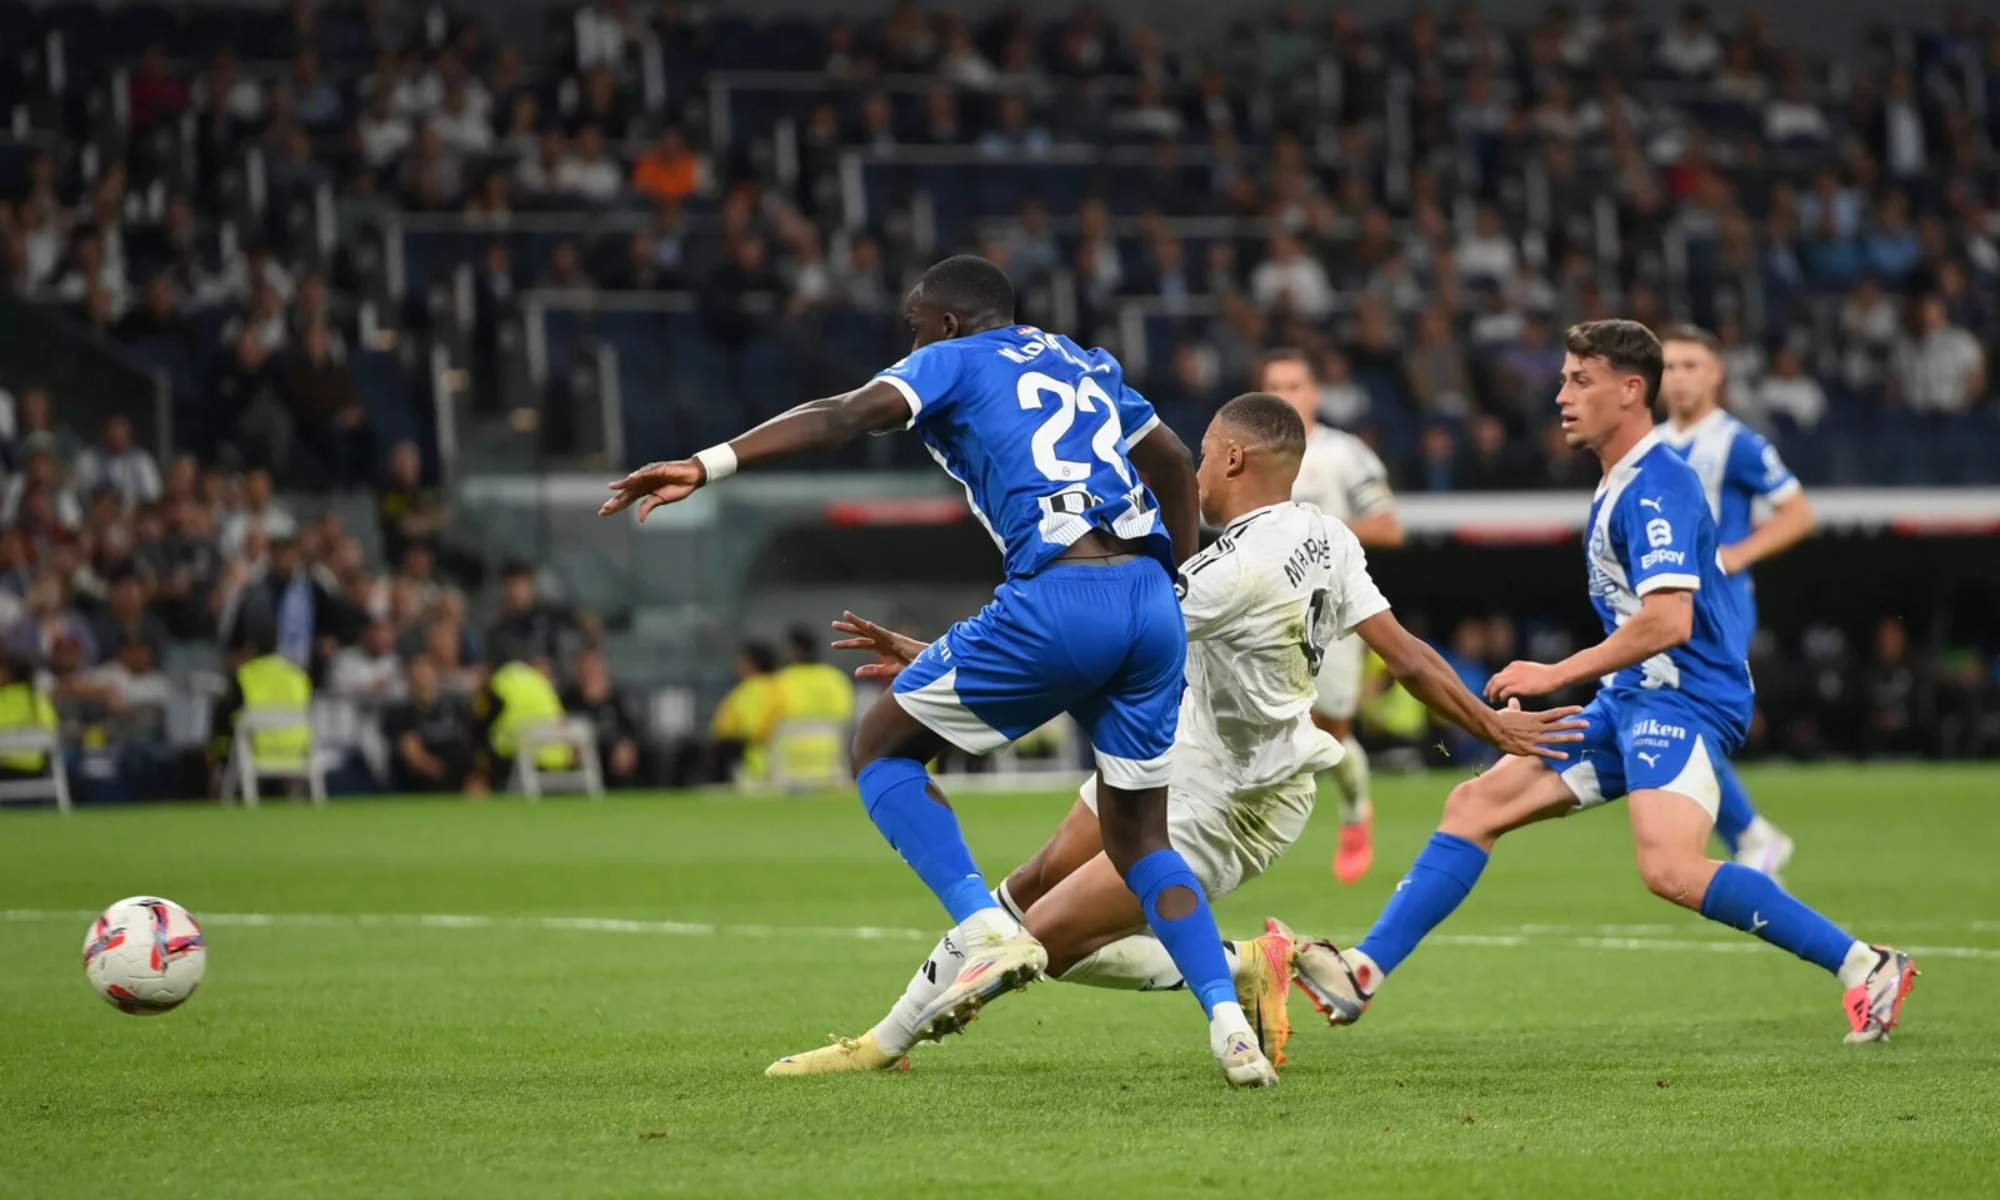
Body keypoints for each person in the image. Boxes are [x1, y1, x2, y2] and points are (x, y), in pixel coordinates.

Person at [603, 254, 1272, 1086]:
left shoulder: (950, 360)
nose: (907, 340)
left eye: (913, 325)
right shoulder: (1079, 358)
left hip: (1060, 591)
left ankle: (985, 928)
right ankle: (1227, 1026)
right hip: (1148, 603)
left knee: (881, 748)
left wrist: (709, 462)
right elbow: (1172, 462)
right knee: (1140, 839)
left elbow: (843, 415)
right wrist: (1174, 572)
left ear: (947, 322)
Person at [768, 393, 1582, 1076]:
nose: (1190, 473)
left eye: (1199, 457)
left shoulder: (1230, 575)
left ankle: (886, 1045)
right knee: (1026, 885)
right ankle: (896, 1036)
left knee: (1033, 945)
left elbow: (1079, 645)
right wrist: (1489, 726)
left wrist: (951, 666)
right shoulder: (1327, 536)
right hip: (1180, 762)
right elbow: (1407, 658)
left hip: (1233, 803)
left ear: (1230, 460)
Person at [1289, 320, 1918, 1045]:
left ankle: (1867, 964)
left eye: (1579, 381)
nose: (1561, 396)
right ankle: (1364, 972)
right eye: (1562, 379)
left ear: (1629, 391)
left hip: (1683, 698)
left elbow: (1669, 621)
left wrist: (1554, 673)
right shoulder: (1621, 480)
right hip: (1632, 698)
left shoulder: (1657, 484)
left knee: (1670, 868)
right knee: (1474, 804)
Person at [1658, 325, 1814, 880]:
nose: (1678, 378)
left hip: (1719, 607)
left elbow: (1797, 513)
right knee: (1668, 718)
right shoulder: (1650, 443)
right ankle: (1751, 835)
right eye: (1670, 367)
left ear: (1716, 374)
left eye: (1690, 366)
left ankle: (1751, 834)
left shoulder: (1737, 443)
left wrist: (1736, 555)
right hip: (1662, 605)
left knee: (1686, 719)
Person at [1255, 348, 1404, 885]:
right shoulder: (1246, 453)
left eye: (1295, 385)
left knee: (1331, 731)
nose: (1285, 395)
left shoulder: (1344, 454)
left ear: (1314, 393)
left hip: (1333, 615)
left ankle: (1355, 811)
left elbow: (1389, 528)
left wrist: (1317, 530)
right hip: (1263, 614)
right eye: (1275, 385)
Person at [769, 625, 856, 785]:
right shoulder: (835, 679)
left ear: (792, 650)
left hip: (788, 767)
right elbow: (846, 720)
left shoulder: (779, 681)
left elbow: (768, 725)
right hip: (830, 763)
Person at [385, 655, 477, 793]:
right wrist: (441, 773)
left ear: (436, 674)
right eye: (416, 674)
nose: (421, 678)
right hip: (425, 779)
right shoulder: (403, 712)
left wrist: (475, 774)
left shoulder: (455, 707)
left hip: (461, 774)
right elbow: (412, 753)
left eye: (426, 672)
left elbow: (471, 741)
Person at [562, 648, 644, 786]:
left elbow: (631, 728)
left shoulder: (617, 698)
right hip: (582, 752)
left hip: (612, 754)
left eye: (595, 667)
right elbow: (558, 725)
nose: (591, 672)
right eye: (586, 668)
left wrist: (627, 745)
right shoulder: (568, 699)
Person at [709, 641, 780, 784]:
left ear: (750, 663)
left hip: (756, 764)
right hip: (792, 761)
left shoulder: (745, 692)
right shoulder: (784, 685)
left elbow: (721, 728)